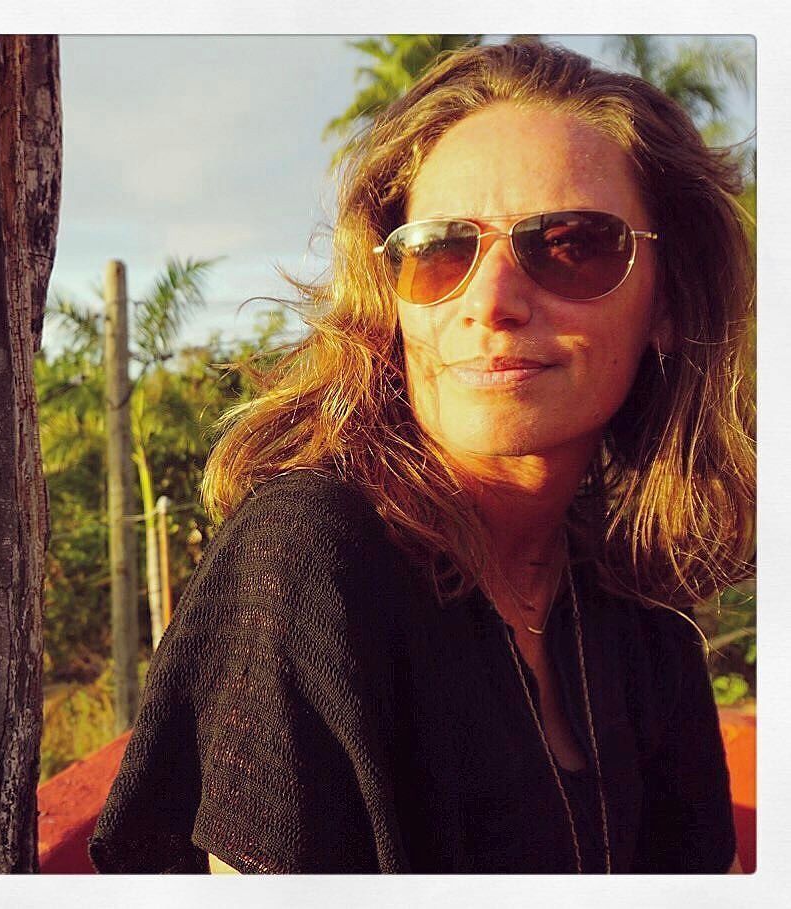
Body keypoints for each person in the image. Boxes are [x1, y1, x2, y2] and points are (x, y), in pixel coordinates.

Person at [88, 41, 754, 874]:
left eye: (570, 244)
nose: (490, 301)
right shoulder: (311, 557)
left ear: (669, 301)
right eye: (439, 249)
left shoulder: (635, 612)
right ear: (390, 297)